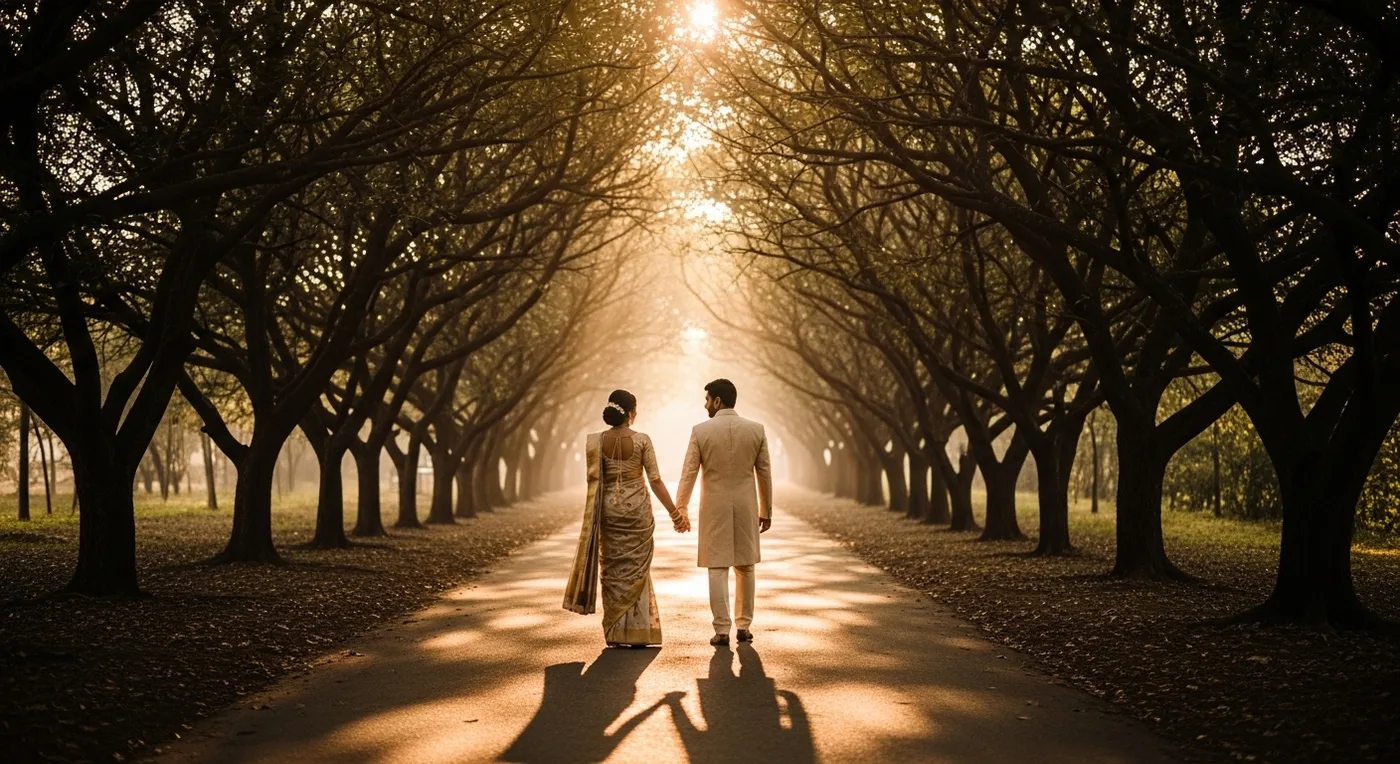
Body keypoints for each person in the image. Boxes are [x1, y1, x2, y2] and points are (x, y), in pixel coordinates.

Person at [563, 389, 689, 647]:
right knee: (636, 570)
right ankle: (639, 630)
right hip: (637, 513)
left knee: (611, 570)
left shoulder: (595, 442)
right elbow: (655, 480)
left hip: (608, 512)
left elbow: (594, 481)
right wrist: (675, 514)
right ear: (632, 413)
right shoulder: (642, 440)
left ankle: (615, 633)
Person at [675, 378, 773, 647]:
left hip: (714, 507)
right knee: (746, 566)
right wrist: (766, 509)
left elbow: (688, 473)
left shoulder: (701, 431)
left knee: (717, 568)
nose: (705, 405)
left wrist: (680, 508)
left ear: (717, 401)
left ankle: (721, 630)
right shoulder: (756, 430)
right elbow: (764, 473)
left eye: (707, 399)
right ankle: (744, 626)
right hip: (746, 505)